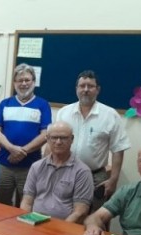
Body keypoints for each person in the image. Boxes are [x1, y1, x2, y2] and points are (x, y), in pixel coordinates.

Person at [0, 63, 51, 235]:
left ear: (33, 81)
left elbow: (46, 133)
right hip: (5, 164)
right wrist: (10, 149)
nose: (24, 83)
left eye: (28, 80)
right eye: (20, 80)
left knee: (25, 211)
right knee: (0, 210)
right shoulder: (5, 104)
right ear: (14, 82)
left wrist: (25, 150)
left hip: (31, 168)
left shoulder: (42, 104)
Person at [56, 70, 131, 212]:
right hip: (65, 174)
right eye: (82, 86)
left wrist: (113, 180)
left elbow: (118, 149)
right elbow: (53, 144)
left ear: (98, 90)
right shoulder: (63, 113)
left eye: (90, 86)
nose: (85, 90)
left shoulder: (110, 115)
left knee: (93, 219)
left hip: (96, 177)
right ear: (76, 89)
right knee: (64, 215)